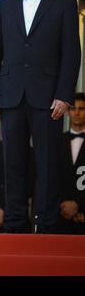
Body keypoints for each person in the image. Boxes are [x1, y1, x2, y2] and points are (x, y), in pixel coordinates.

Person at [0, 0, 81, 234]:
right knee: (13, 165)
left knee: (48, 165)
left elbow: (71, 54)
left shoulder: (65, 3)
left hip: (49, 100)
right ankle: (15, 227)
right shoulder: (5, 4)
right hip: (11, 96)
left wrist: (64, 95)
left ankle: (47, 227)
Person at [57, 93, 85, 234]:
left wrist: (78, 205)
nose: (77, 112)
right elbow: (53, 176)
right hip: (59, 215)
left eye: (82, 109)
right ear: (68, 112)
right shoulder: (57, 142)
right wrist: (63, 204)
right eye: (74, 108)